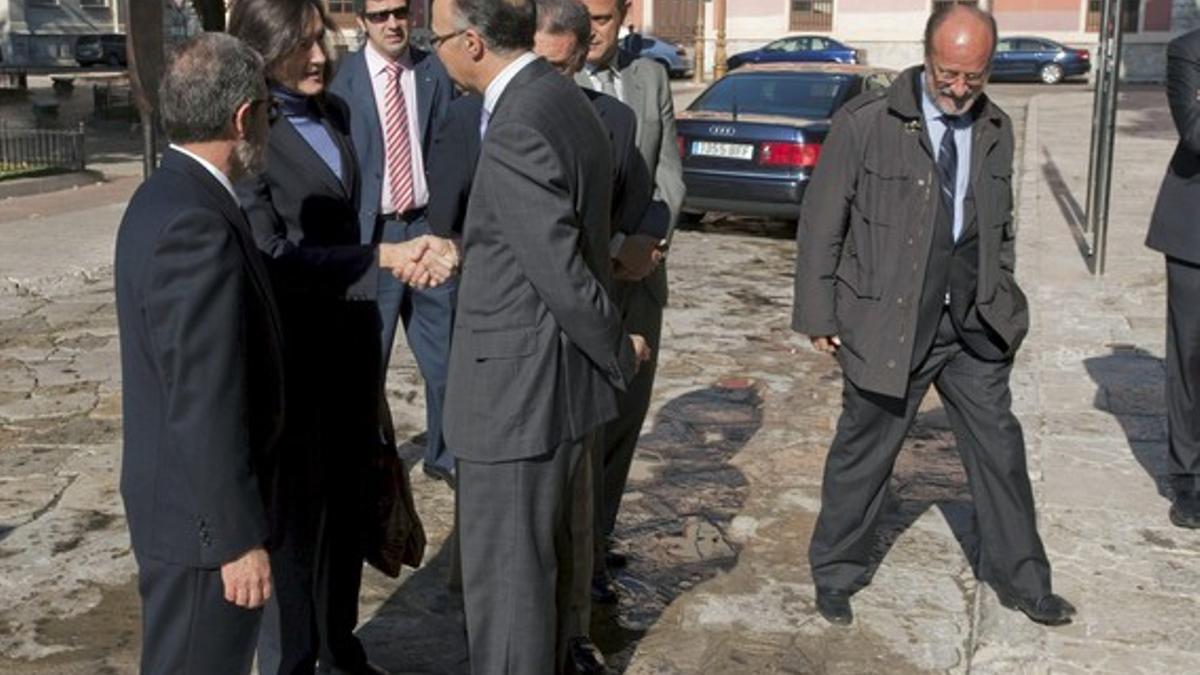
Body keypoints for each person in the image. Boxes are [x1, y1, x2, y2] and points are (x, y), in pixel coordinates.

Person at [792, 5, 1075, 627]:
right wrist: (819, 311)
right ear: (926, 58)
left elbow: (996, 227)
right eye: (948, 74)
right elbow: (821, 222)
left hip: (972, 326)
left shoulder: (996, 125)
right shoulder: (866, 123)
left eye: (973, 77)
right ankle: (836, 574)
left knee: (1001, 451)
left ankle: (1026, 582)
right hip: (887, 323)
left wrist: (1003, 296)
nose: (958, 89)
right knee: (864, 453)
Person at [229, 1, 456, 673]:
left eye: (320, 41)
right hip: (293, 365)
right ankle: (295, 659)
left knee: (347, 511)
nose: (320, 57)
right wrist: (381, 258)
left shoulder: (335, 113)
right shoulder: (249, 138)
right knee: (297, 530)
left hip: (350, 352)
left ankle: (339, 644)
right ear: (265, 53)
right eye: (301, 47)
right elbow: (271, 255)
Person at [430, 0, 650, 671]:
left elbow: (560, 269)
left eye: (433, 36)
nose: (426, 47)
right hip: (549, 389)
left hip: (513, 401)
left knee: (509, 600)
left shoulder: (519, 120)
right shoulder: (558, 96)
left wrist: (617, 347)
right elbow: (534, 238)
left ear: (471, 43)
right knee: (543, 584)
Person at [114, 32, 283, 675]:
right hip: (198, 530)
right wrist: (237, 539)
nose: (270, 123)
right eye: (269, 108)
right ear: (243, 117)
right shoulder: (195, 220)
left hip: (183, 516)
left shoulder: (169, 193)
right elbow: (203, 395)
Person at [577, 0, 685, 601]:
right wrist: (616, 246)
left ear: (622, 17)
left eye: (602, 16)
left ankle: (599, 537)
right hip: (586, 279)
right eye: (582, 15)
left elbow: (668, 172)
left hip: (643, 277)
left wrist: (650, 242)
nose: (592, 30)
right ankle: (579, 552)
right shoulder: (555, 84)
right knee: (586, 423)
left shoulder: (650, 80)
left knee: (625, 418)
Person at [330, 0, 460, 488]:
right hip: (373, 239)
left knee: (446, 355)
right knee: (366, 361)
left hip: (426, 229)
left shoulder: (433, 73)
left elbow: (451, 149)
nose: (392, 23)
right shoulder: (341, 83)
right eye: (380, 14)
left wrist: (449, 228)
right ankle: (364, 463)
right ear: (362, 22)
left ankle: (445, 455)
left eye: (400, 12)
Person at [1147, 26, 1200, 529]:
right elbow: (1195, 130)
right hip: (1194, 234)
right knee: (1190, 356)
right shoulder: (1188, 50)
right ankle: (1187, 479)